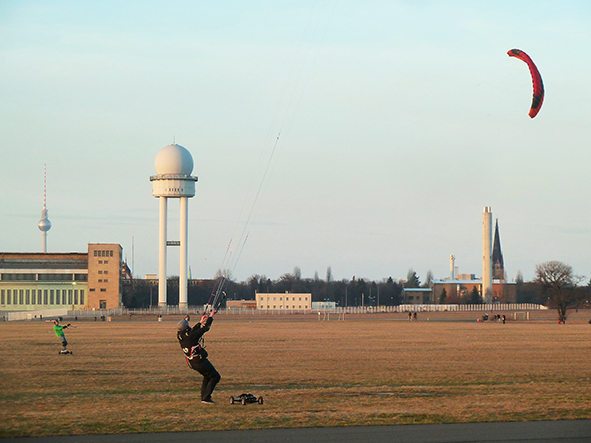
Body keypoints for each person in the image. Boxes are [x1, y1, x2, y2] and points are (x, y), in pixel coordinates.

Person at [177, 313, 221, 404]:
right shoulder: (190, 336)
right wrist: (211, 317)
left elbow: (192, 332)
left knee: (207, 376)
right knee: (215, 377)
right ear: (186, 327)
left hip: (193, 362)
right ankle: (207, 397)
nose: (189, 325)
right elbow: (205, 329)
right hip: (199, 361)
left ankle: (204, 398)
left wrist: (200, 322)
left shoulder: (180, 334)